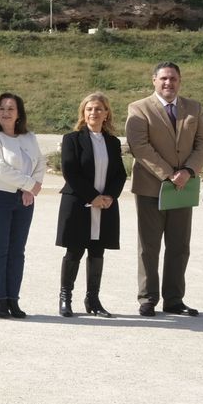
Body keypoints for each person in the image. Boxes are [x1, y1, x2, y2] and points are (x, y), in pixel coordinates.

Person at [125, 62, 203, 317]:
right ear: (154, 80)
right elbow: (139, 147)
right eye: (163, 78)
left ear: (180, 81)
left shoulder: (193, 108)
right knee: (149, 246)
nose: (168, 83)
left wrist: (188, 171)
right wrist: (168, 174)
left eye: (173, 79)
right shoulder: (139, 109)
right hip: (152, 187)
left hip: (183, 187)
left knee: (179, 245)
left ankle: (174, 299)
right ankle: (148, 298)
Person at [55, 93, 126, 318]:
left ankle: (93, 300)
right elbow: (70, 171)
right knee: (74, 250)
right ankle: (65, 298)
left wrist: (109, 197)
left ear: (106, 114)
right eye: (89, 109)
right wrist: (92, 197)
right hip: (79, 203)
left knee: (97, 251)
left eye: (98, 109)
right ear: (83, 114)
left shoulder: (113, 142)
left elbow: (120, 174)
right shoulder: (72, 139)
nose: (93, 113)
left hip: (105, 205)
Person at [0, 93, 44, 319]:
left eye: (11, 109)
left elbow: (40, 163)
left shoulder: (29, 137)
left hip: (24, 199)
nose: (6, 112)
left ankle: (12, 299)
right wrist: (29, 184)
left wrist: (30, 189)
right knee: (0, 248)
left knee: (18, 251)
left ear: (19, 114)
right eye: (2, 108)